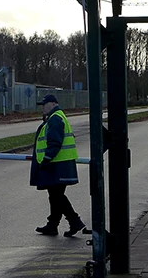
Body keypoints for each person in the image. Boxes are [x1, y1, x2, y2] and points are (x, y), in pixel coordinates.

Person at [30, 94, 86, 237]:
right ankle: (53, 225)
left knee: (57, 196)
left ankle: (74, 221)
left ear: (53, 104)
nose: (42, 107)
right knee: (55, 196)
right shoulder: (57, 117)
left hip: (57, 164)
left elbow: (55, 142)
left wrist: (47, 159)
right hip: (60, 164)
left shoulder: (55, 119)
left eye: (45, 104)